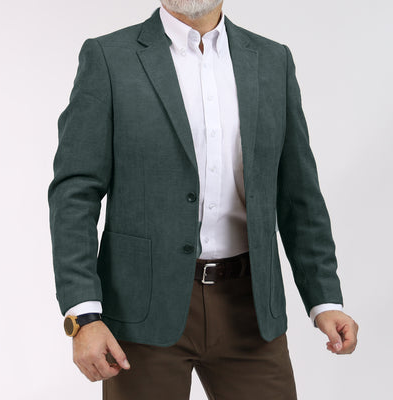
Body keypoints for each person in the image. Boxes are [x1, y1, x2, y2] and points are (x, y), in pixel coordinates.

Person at [48, 0, 359, 398]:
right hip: (141, 310)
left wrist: (324, 300)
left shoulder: (272, 60)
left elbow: (299, 193)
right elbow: (75, 192)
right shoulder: (109, 58)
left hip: (250, 307)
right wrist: (83, 314)